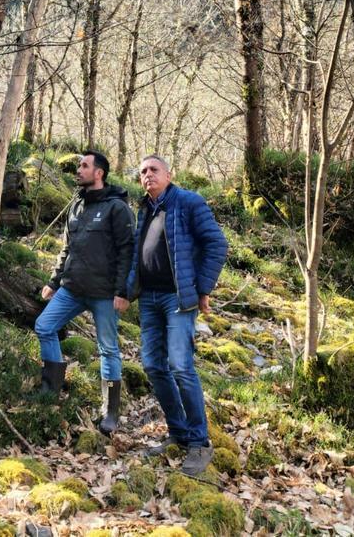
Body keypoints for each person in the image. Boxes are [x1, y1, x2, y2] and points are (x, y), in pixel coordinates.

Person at [127, 153, 228, 476]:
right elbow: (137, 254)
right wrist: (126, 290)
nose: (147, 175)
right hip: (149, 299)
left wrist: (203, 289)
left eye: (154, 170)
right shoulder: (145, 209)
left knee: (181, 366)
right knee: (153, 366)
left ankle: (200, 442)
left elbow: (217, 244)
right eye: (142, 171)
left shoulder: (188, 202)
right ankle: (180, 433)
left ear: (169, 174)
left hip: (177, 299)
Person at [34, 150, 135, 435]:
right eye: (79, 165)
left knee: (108, 349)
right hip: (72, 289)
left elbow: (128, 251)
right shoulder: (77, 205)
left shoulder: (118, 208)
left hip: (105, 294)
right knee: (44, 326)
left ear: (99, 173)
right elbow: (67, 247)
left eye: (84, 166)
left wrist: (123, 291)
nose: (78, 170)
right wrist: (54, 282)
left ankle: (110, 412)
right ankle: (50, 389)